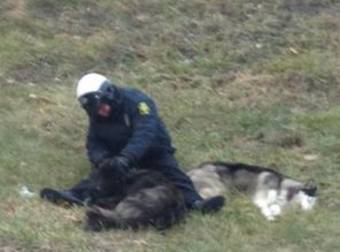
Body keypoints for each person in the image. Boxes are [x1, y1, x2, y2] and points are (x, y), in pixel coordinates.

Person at [40, 73, 225, 213]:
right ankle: (75, 195)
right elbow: (94, 142)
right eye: (95, 110)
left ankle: (195, 202)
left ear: (109, 94)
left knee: (172, 172)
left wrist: (126, 158)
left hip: (154, 152)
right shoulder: (97, 114)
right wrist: (103, 159)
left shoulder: (138, 102)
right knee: (101, 175)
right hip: (120, 156)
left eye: (103, 106)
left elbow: (145, 133)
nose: (102, 112)